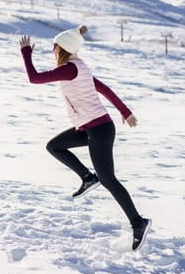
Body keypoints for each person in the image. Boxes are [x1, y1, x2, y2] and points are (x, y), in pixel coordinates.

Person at [19, 25, 151, 251]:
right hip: (91, 128)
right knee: (55, 146)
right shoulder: (79, 68)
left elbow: (34, 78)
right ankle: (87, 178)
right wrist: (125, 111)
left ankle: (138, 222)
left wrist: (26, 53)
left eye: (55, 46)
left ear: (63, 48)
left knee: (108, 179)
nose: (52, 49)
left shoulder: (70, 69)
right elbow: (105, 89)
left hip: (98, 129)